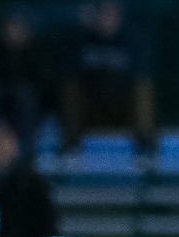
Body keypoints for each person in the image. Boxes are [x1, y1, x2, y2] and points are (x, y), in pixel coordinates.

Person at [60, 0, 157, 159]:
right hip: (92, 109)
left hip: (123, 109)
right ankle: (70, 144)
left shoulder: (133, 41)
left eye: (111, 14)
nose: (107, 19)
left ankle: (145, 145)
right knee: (71, 88)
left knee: (143, 88)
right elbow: (69, 75)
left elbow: (143, 77)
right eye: (103, 13)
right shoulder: (80, 41)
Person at [0, 9, 52, 156]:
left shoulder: (36, 54)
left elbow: (43, 84)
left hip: (24, 107)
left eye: (20, 28)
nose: (15, 31)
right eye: (12, 27)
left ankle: (25, 154)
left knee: (25, 97)